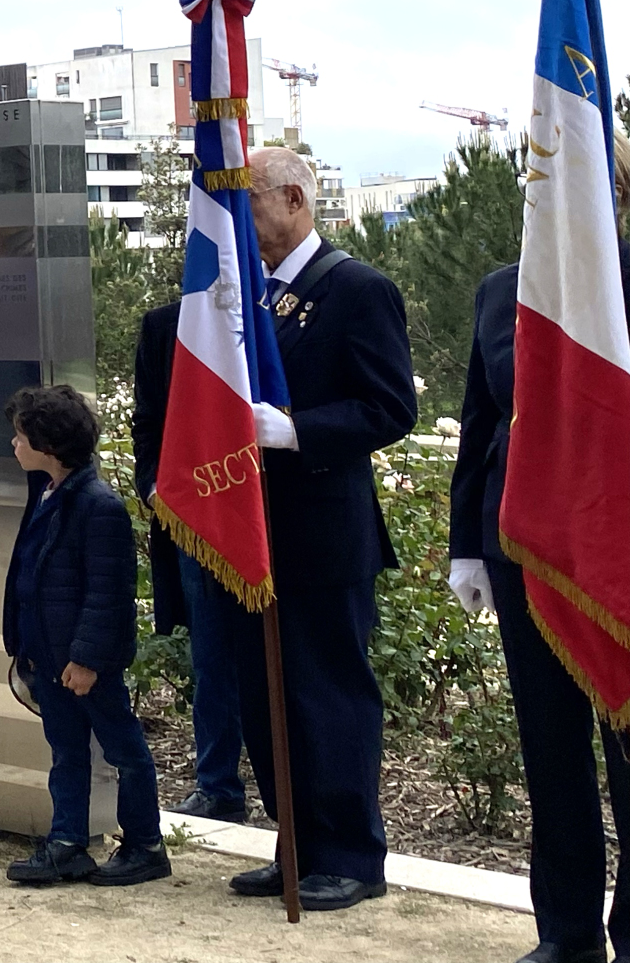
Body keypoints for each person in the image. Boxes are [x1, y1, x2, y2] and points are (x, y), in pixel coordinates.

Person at [221, 145, 416, 911]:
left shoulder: (358, 289)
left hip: (325, 529)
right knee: (267, 696)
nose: (245, 217)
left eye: (255, 201)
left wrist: (296, 430)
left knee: (328, 694)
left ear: (296, 200)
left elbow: (389, 406)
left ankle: (352, 854)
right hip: (254, 528)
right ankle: (295, 843)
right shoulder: (249, 296)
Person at [451, 200, 630, 963]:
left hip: (618, 554)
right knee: (550, 752)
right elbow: (480, 424)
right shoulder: (502, 288)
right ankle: (567, 930)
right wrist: (466, 545)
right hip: (522, 549)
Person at [1, 384, 170, 887]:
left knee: (122, 749)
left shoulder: (98, 506)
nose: (13, 444)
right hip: (50, 658)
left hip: (84, 664)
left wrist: (88, 659)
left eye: (21, 436)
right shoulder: (49, 494)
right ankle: (67, 842)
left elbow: (108, 594)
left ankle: (145, 843)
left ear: (48, 445)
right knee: (66, 750)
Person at [130, 299, 248, 822]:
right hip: (193, 518)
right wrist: (157, 487)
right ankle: (218, 786)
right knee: (213, 656)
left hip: (269, 517)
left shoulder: (272, 314)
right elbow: (148, 422)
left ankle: (302, 793)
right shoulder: (164, 326)